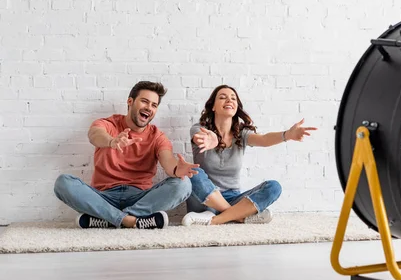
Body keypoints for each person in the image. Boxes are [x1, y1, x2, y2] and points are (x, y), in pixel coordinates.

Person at [54, 81, 207, 229]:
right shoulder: (109, 124)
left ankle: (109, 219)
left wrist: (176, 170)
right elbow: (95, 134)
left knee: (184, 184)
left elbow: (168, 161)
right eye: (144, 102)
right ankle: (132, 221)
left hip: (140, 198)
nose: (149, 108)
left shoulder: (157, 136)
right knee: (63, 182)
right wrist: (112, 141)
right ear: (130, 101)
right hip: (104, 197)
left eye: (154, 105)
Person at [181, 84, 317, 226]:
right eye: (222, 97)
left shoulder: (241, 134)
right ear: (213, 107)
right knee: (194, 172)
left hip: (232, 197)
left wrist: (287, 135)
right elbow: (198, 137)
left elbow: (264, 140)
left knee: (274, 187)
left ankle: (217, 219)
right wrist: (211, 139)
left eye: (233, 98)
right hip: (204, 199)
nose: (229, 100)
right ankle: (238, 216)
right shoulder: (199, 129)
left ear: (236, 107)